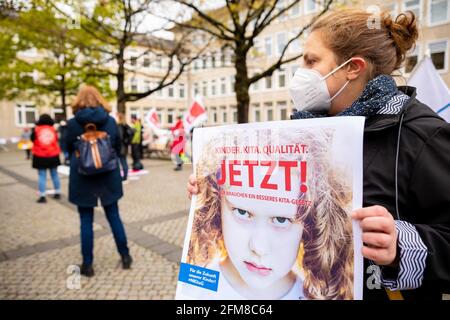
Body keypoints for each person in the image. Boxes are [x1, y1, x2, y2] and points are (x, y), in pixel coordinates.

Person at [188, 10, 450, 300]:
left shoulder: (422, 135)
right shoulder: (300, 131)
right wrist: (214, 185)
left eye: (311, 61)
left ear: (353, 67)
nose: (301, 71)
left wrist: (402, 245)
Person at [183, 128, 353, 300]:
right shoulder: (193, 287)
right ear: (216, 208)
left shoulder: (318, 297)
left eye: (281, 220)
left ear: (313, 223)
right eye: (242, 212)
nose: (259, 248)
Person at [65, 85, 132, 277]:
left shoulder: (73, 123)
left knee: (86, 220)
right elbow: (118, 147)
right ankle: (125, 256)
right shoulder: (110, 121)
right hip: (108, 175)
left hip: (82, 176)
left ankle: (88, 265)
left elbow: (68, 148)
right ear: (99, 98)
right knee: (113, 215)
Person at [31, 114, 61, 203]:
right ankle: (57, 192)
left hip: (40, 156)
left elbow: (32, 140)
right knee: (54, 174)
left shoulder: (36, 130)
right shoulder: (53, 129)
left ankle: (42, 196)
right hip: (53, 155)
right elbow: (56, 139)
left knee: (42, 176)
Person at [116, 112, 134, 182]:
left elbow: (120, 137)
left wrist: (125, 141)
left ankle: (124, 177)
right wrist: (127, 142)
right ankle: (125, 176)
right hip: (124, 146)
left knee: (121, 162)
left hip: (121, 147)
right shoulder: (125, 125)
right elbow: (132, 132)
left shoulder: (120, 125)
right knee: (124, 162)